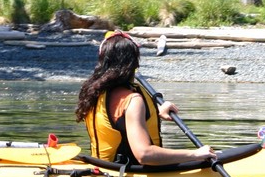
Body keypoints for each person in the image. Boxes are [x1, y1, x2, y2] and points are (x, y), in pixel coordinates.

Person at [76, 30, 216, 165]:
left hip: (102, 168)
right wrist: (195, 154)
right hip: (126, 175)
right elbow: (145, 155)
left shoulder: (93, 93)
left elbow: (118, 120)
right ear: (134, 64)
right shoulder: (132, 101)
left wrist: (156, 111)